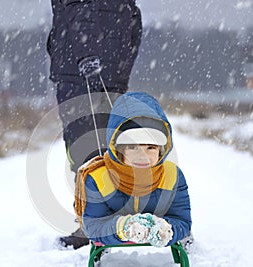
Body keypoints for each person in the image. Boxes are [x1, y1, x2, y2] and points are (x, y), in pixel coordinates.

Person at [47, 0, 142, 248]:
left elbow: (80, 10)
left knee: (85, 148)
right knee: (107, 145)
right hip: (109, 70)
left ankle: (94, 224)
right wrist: (122, 65)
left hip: (81, 71)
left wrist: (86, 54)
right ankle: (108, 219)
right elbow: (133, 21)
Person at [74, 92, 192, 247]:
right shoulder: (98, 177)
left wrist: (168, 228)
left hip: (160, 225)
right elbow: (95, 226)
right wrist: (123, 226)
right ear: (119, 149)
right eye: (132, 147)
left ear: (162, 150)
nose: (142, 156)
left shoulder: (173, 176)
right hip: (115, 230)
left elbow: (182, 219)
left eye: (151, 147)